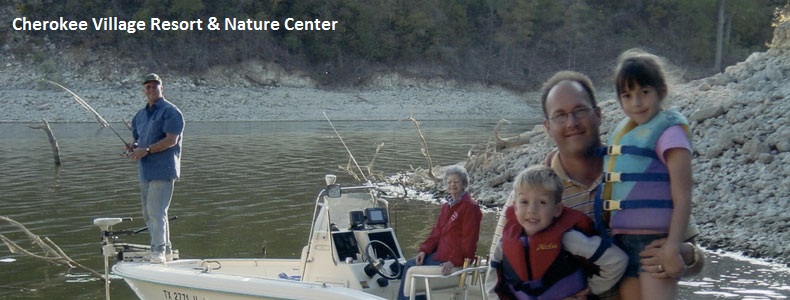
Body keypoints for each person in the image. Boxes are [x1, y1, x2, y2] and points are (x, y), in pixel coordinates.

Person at [485, 70, 704, 299]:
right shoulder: (528, 196)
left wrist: (684, 254)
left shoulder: (641, 171)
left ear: (598, 114)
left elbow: (696, 258)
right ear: (547, 126)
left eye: (580, 111)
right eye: (560, 115)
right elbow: (497, 274)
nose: (572, 123)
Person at [597, 49, 692, 299]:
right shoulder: (624, 133)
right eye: (627, 96)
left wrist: (673, 246)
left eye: (644, 92)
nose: (636, 103)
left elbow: (683, 197)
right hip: (622, 244)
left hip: (655, 244)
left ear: (661, 90)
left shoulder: (670, 133)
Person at [492, 165, 627, 299]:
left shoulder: (569, 238)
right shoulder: (504, 242)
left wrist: (593, 288)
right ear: (515, 207)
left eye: (542, 202)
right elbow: (492, 280)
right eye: (524, 202)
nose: (531, 210)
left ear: (557, 209)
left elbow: (617, 260)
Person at [397, 165, 482, 300]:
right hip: (442, 254)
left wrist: (453, 261)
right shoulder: (447, 206)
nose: (452, 185)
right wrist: (424, 250)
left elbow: (469, 240)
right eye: (449, 182)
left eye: (456, 181)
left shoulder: (470, 207)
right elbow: (437, 232)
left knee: (409, 266)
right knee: (411, 263)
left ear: (464, 183)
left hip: (452, 258)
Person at [126, 73, 185, 264]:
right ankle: (165, 250)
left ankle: (157, 251)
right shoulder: (140, 115)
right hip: (145, 170)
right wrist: (133, 148)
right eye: (148, 87)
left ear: (162, 88)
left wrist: (147, 150)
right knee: (148, 212)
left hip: (163, 169)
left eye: (154, 86)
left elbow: (171, 140)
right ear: (144, 90)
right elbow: (138, 140)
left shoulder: (171, 112)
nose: (151, 90)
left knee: (156, 211)